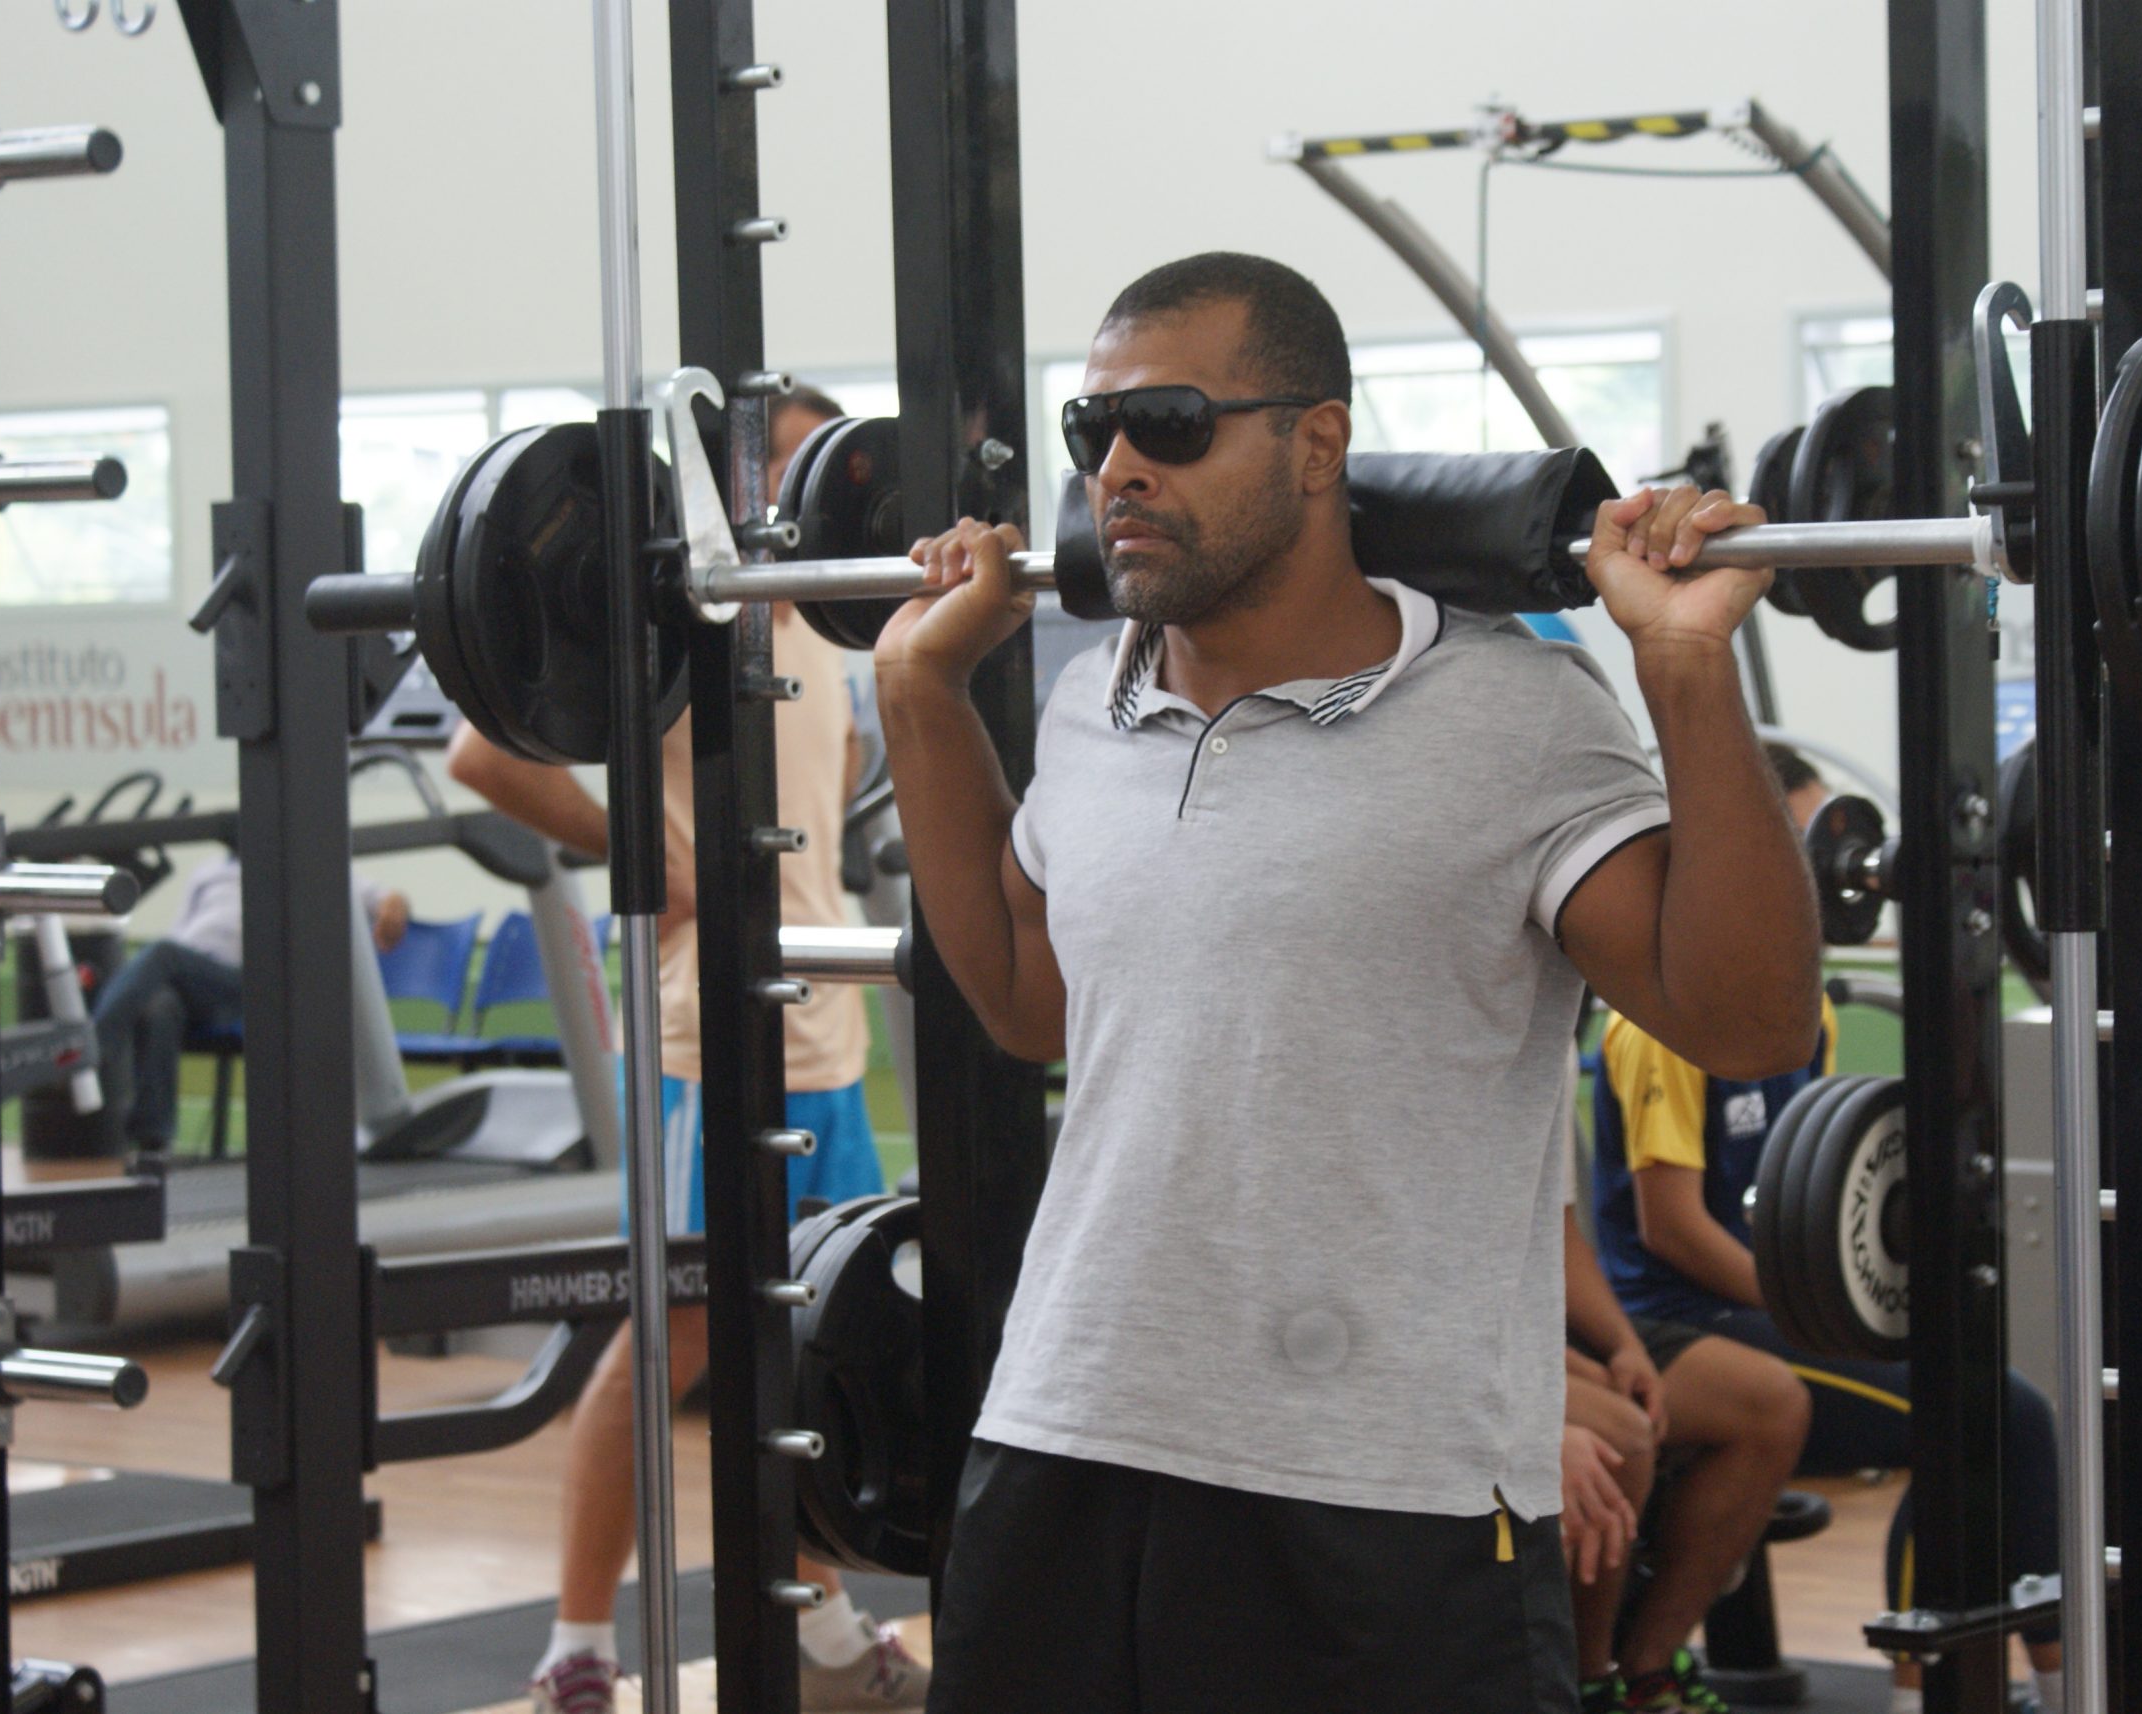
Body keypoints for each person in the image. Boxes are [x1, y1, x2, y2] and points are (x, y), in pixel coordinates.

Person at [874, 251, 1821, 1713]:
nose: (1118, 468)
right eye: (1095, 432)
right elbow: (1020, 998)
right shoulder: (1090, 699)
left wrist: (1687, 667)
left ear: (1318, 444)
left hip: (1383, 1485)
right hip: (1070, 1423)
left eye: (1172, 424)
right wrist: (917, 696)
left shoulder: (1512, 712)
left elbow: (1748, 1019)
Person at [457, 387, 929, 1714]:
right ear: (727, 480)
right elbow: (479, 750)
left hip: (823, 1032)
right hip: (705, 1035)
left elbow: (817, 817)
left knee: (814, 1327)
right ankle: (573, 1644)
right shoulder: (673, 609)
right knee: (670, 1337)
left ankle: (822, 1622)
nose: (825, 488)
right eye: (793, 464)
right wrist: (640, 850)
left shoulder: (826, 617)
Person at [1593, 745, 2065, 1714]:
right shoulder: (1656, 1021)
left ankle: (2060, 1682)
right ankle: (1901, 1691)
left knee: (2002, 1407)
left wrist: (1838, 1300)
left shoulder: (1801, 1012)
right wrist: (1817, 1306)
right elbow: (1673, 1228)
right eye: (1790, 844)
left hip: (1761, 1305)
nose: (1812, 877)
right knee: (1969, 1412)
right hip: (1671, 1323)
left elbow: (1799, 1194)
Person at [1561, 1166, 1809, 1714]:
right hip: (1465, 1339)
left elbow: (1558, 1236)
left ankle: (1647, 1672)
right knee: (1622, 1437)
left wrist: (1623, 1346)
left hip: (1545, 1324)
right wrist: (1575, 1368)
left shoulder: (1539, 1092)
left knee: (1770, 1404)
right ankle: (1588, 1683)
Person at [90, 848, 407, 1154]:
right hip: (191, 975)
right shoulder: (208, 871)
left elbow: (382, 898)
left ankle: (95, 1047)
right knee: (158, 1007)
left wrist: (395, 905)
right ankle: (152, 1140)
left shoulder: (300, 865)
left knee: (163, 954)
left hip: (246, 983)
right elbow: (180, 931)